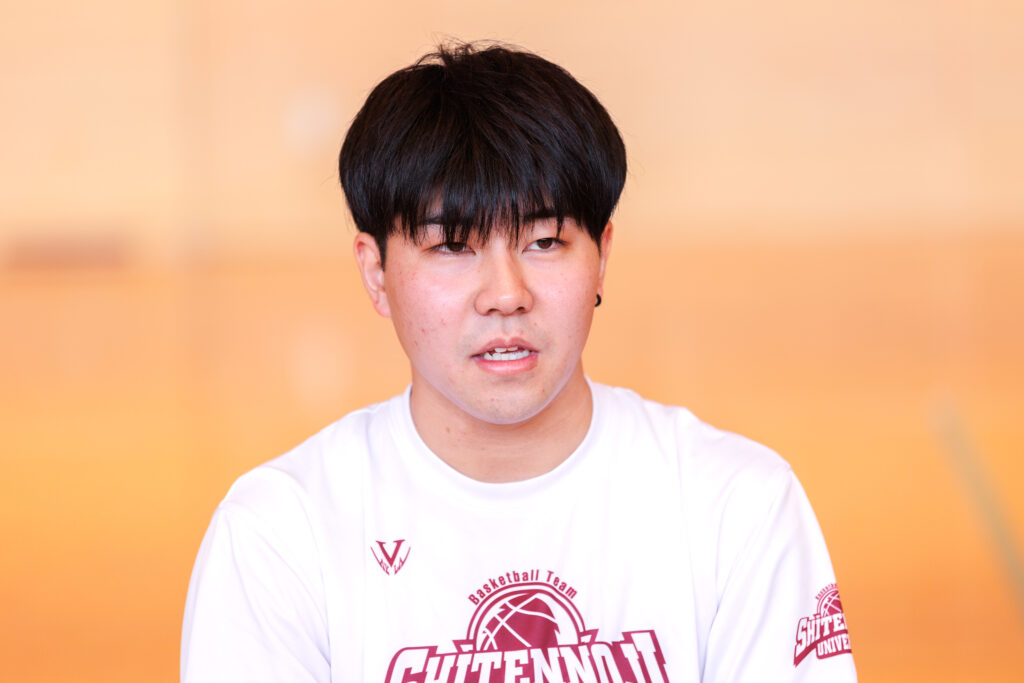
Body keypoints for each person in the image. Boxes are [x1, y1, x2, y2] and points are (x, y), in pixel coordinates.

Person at [181, 42, 857, 682]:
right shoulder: (279, 535)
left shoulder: (736, 505)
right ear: (376, 272)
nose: (506, 295)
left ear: (602, 255)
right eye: (452, 246)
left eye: (544, 241)